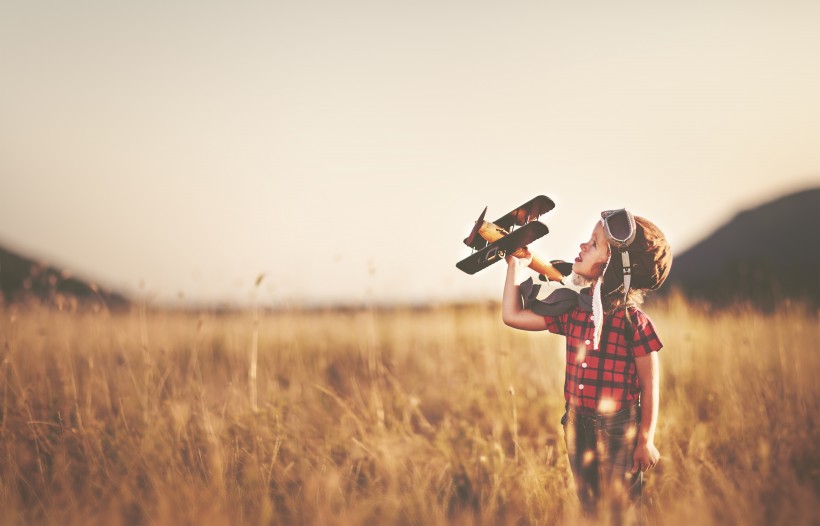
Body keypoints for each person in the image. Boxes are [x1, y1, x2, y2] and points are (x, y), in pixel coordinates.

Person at [501, 209, 672, 523]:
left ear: (615, 268)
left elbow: (650, 384)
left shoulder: (633, 322)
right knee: (590, 506)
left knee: (622, 510)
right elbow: (513, 316)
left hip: (620, 428)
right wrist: (514, 264)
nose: (581, 246)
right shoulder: (573, 308)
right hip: (576, 423)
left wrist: (645, 439)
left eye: (593, 244)